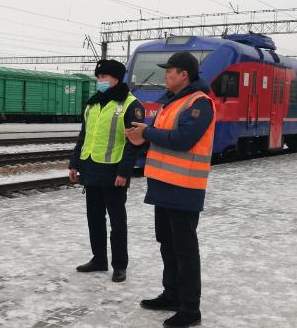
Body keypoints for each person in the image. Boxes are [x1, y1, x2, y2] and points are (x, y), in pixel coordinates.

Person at [124, 51, 215, 328]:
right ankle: (172, 294)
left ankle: (190, 308)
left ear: (183, 75)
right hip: (163, 184)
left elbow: (184, 139)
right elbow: (161, 137)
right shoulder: (171, 102)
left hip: (184, 187)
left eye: (169, 71)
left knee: (185, 249)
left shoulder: (200, 103)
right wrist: (141, 136)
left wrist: (147, 132)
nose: (165, 76)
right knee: (167, 243)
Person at [69, 59, 144, 283]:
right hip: (91, 168)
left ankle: (119, 265)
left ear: (116, 79)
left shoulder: (130, 105)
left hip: (114, 172)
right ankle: (99, 259)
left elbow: (134, 143)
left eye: (104, 77)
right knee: (94, 218)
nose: (99, 81)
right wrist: (75, 163)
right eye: (98, 77)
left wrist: (124, 172)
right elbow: (84, 136)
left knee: (117, 221)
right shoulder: (93, 104)